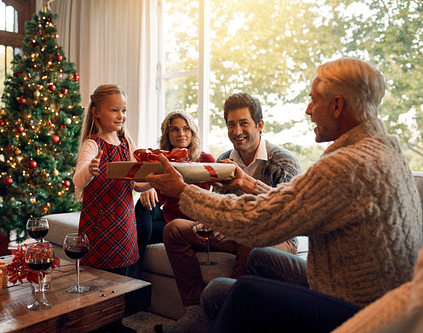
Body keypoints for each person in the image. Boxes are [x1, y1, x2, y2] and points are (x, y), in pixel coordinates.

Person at [146, 58, 422, 332]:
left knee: (229, 292)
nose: (308, 109)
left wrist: (184, 191)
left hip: (359, 310)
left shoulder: (346, 165)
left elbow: (260, 223)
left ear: (337, 105)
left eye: (314, 100)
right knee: (260, 259)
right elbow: (297, 203)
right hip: (363, 292)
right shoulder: (384, 150)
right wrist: (249, 184)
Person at [155, 93, 303, 333]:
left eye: (244, 123)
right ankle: (196, 312)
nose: (237, 130)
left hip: (276, 238)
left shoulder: (284, 161)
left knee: (250, 238)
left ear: (259, 125)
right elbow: (217, 204)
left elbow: (289, 216)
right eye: (231, 124)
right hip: (232, 232)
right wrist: (217, 223)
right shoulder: (224, 160)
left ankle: (229, 314)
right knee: (174, 230)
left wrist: (237, 220)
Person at [73, 84, 149, 277]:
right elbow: (78, 180)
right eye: (114, 110)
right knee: (97, 280)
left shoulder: (127, 145)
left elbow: (138, 185)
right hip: (98, 227)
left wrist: (155, 181)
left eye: (123, 110)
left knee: (124, 279)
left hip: (124, 225)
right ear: (96, 112)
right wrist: (90, 170)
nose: (120, 115)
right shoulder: (92, 144)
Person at [135, 111, 215, 260]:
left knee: (136, 231)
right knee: (142, 205)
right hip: (167, 218)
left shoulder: (206, 159)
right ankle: (134, 268)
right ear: (167, 134)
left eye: (186, 129)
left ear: (192, 132)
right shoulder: (164, 160)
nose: (181, 134)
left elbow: (218, 192)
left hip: (189, 224)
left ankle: (133, 268)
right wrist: (150, 187)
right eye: (174, 129)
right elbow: (153, 195)